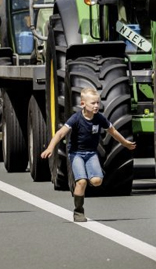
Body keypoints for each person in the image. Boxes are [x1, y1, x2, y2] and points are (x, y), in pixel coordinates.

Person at [41, 87, 136, 222]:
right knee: (81, 182)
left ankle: (88, 176)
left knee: (97, 181)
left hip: (91, 154)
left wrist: (125, 143)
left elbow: (112, 131)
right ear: (83, 104)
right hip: (76, 154)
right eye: (93, 103)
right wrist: (50, 148)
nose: (96, 106)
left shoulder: (99, 118)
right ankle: (78, 211)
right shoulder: (76, 118)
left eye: (97, 103)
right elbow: (61, 133)